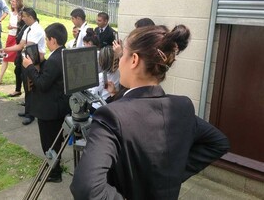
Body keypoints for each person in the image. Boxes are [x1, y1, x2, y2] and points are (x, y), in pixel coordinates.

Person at [70, 25, 230, 200]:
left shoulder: (111, 116)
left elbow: (86, 187)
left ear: (134, 60)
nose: (119, 60)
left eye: (122, 54)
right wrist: (171, 174)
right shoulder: (183, 107)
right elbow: (218, 143)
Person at [22, 22, 71, 182]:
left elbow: (42, 84)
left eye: (47, 39)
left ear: (53, 40)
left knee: (49, 143)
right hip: (59, 105)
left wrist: (29, 67)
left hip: (49, 109)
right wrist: (41, 62)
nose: (46, 42)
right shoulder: (63, 54)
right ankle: (55, 167)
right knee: (56, 140)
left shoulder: (54, 60)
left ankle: (54, 173)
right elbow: (52, 76)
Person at [1, 7, 46, 125]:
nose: (22, 18)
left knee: (31, 88)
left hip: (33, 63)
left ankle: (31, 114)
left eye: (24, 16)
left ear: (31, 17)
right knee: (27, 88)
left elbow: (28, 46)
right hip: (26, 61)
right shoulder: (28, 29)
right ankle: (28, 111)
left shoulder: (36, 30)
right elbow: (21, 45)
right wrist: (5, 49)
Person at [0, 0, 24, 86]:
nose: (12, 3)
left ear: (18, 3)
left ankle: (23, 80)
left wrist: (13, 27)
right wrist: (10, 27)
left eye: (14, 1)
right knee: (5, 58)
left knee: (19, 61)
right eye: (11, 1)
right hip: (10, 37)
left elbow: (23, 27)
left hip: (18, 39)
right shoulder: (11, 13)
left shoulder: (22, 14)